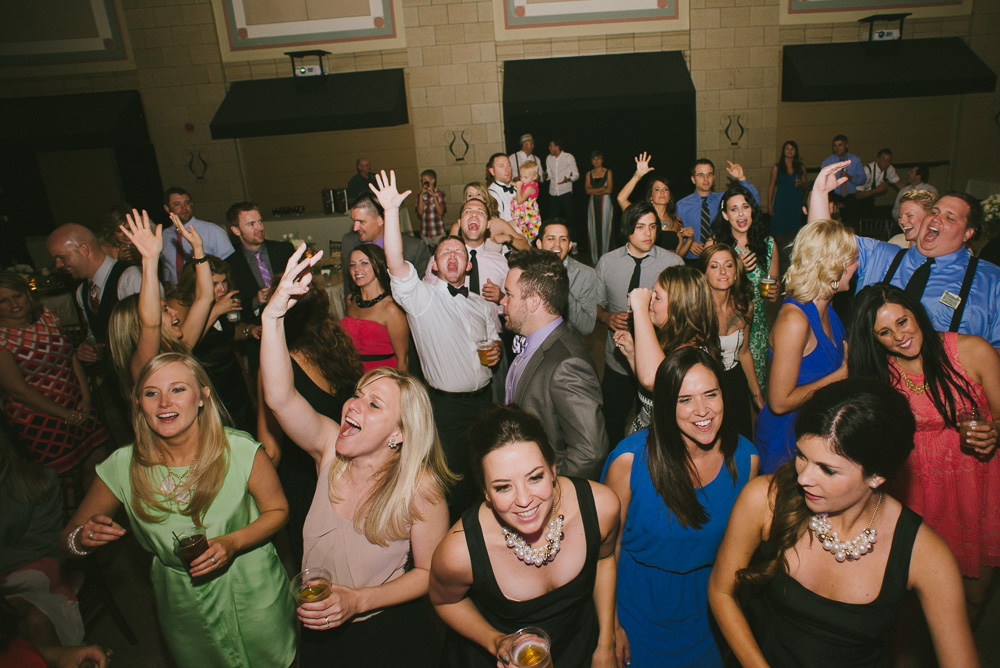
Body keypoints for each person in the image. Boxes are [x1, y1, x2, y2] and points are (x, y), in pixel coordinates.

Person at [260, 248, 455, 666]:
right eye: (358, 395)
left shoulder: (419, 488)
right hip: (319, 630)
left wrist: (358, 601)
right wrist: (272, 317)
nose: (354, 405)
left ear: (400, 434)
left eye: (374, 405)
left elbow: (428, 574)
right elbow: (279, 398)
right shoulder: (329, 452)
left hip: (389, 636)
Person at [708, 379, 979, 667]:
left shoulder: (925, 554)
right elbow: (721, 591)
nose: (803, 478)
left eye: (827, 469)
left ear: (876, 475)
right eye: (802, 456)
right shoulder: (766, 499)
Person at [60, 352, 296, 667]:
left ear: (202, 396)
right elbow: (66, 541)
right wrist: (81, 539)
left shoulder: (240, 449)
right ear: (139, 403)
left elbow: (278, 511)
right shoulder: (121, 466)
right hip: (184, 604)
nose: (164, 403)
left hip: (253, 588)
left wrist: (233, 541)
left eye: (178, 389)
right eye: (151, 393)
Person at [848, 284, 1000, 618]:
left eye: (902, 321)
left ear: (915, 313)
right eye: (885, 332)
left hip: (975, 485)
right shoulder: (879, 374)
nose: (899, 336)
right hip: (915, 489)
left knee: (975, 593)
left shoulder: (972, 351)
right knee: (913, 597)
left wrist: (995, 432)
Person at [430, 404, 620, 667]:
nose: (523, 500)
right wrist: (495, 640)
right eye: (503, 487)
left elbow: (604, 559)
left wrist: (606, 642)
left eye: (535, 477)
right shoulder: (459, 551)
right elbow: (444, 602)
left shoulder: (600, 507)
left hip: (580, 647)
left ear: (552, 468)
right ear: (485, 492)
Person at [603, 348, 758, 667]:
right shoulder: (630, 461)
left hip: (709, 613)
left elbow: (741, 555)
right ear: (665, 405)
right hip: (637, 611)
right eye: (684, 399)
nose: (702, 410)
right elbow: (607, 549)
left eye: (711, 394)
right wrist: (609, 627)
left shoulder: (747, 460)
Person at [378, 169, 501, 519]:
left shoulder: (480, 303)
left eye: (458, 253)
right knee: (454, 487)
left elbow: (492, 341)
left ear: (468, 264)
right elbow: (395, 263)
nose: (452, 257)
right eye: (445, 252)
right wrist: (391, 212)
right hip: (447, 411)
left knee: (487, 477)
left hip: (485, 403)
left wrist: (496, 350)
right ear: (434, 264)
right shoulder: (423, 299)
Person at [810, 162, 1000, 350]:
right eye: (934, 212)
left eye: (950, 217)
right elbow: (827, 243)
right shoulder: (881, 255)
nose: (936, 219)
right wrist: (820, 193)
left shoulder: (991, 281)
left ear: (968, 234)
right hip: (868, 367)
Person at [257, 280, 364, 566]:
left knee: (316, 562)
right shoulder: (337, 348)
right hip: (345, 468)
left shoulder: (275, 369)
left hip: (303, 478)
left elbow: (271, 448)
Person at [754, 219, 854, 474]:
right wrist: (841, 376)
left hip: (813, 433)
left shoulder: (828, 308)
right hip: (785, 441)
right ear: (835, 265)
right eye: (853, 259)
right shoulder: (795, 320)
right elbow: (779, 402)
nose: (857, 265)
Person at [501, 249, 607, 479]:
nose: (502, 301)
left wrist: (552, 488)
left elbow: (590, 453)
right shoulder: (533, 340)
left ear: (534, 302)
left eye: (508, 294)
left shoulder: (568, 364)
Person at [0, 273, 108, 474]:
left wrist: (86, 397)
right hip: (38, 417)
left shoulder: (46, 316)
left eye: (17, 296)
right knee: (64, 477)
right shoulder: (2, 338)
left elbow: (70, 356)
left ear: (27, 294)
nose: (13, 304)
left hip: (77, 403)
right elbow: (18, 391)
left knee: (99, 462)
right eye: (3, 301)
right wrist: (66, 415)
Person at [596, 202, 684, 445]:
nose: (648, 233)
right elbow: (595, 305)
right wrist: (606, 317)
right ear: (627, 229)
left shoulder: (673, 263)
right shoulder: (607, 262)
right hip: (617, 361)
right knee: (612, 423)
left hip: (659, 362)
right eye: (640, 227)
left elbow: (683, 313)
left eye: (653, 227)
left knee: (657, 427)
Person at [108, 210, 214, 396]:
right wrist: (150, 259)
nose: (174, 311)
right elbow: (150, 323)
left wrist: (198, 249)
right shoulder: (145, 365)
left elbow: (205, 298)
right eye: (165, 310)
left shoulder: (180, 348)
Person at [613, 265, 720, 433]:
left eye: (657, 297)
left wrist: (640, 309)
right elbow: (652, 389)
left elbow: (653, 379)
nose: (650, 301)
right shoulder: (669, 338)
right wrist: (633, 355)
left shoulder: (691, 354)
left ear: (679, 307)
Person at [167, 256, 257, 433]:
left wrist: (250, 330)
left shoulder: (221, 301)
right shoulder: (179, 305)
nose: (222, 289)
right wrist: (216, 311)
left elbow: (227, 333)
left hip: (231, 377)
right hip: (205, 382)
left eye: (224, 282)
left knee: (246, 429)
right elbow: (183, 346)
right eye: (214, 284)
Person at [709, 184, 779, 393]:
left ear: (752, 211)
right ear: (725, 215)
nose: (741, 214)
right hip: (724, 322)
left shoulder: (768, 244)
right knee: (722, 385)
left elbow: (771, 289)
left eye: (745, 207)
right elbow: (703, 290)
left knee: (756, 384)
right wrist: (736, 268)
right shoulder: (714, 245)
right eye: (734, 209)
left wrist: (774, 292)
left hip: (757, 323)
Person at [46, 223, 142, 364]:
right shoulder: (82, 291)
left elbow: (151, 330)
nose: (58, 265)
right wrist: (88, 345)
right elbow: (96, 331)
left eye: (61, 257)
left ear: (84, 249)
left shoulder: (130, 277)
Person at [700, 245, 763, 439]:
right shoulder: (695, 310)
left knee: (741, 440)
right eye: (714, 266)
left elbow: (743, 352)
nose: (722, 271)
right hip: (704, 387)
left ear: (736, 274)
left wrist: (757, 396)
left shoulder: (745, 307)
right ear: (704, 274)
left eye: (728, 265)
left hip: (735, 381)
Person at [340, 192, 430, 291]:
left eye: (361, 222)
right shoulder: (349, 242)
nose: (355, 228)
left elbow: (423, 290)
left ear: (380, 220)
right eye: (354, 221)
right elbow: (348, 284)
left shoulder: (413, 248)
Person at [342, 244, 409, 372]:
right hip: (353, 373)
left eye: (364, 263)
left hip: (382, 374)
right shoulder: (351, 300)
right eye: (352, 265)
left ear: (377, 266)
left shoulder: (391, 309)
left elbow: (403, 359)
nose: (357, 269)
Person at [225, 201, 295, 324]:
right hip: (259, 326)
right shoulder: (231, 265)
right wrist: (255, 301)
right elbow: (234, 307)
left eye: (260, 222)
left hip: (293, 319)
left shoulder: (284, 250)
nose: (260, 228)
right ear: (236, 230)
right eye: (251, 224)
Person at [675, 159, 759, 259]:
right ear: (693, 179)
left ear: (714, 178)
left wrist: (742, 178)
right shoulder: (682, 205)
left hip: (720, 257)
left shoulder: (723, 199)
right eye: (701, 175)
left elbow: (753, 203)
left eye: (709, 174)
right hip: (692, 258)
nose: (706, 179)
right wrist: (688, 243)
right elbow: (678, 232)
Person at [616, 152, 693, 256]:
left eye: (665, 189)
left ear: (670, 196)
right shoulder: (641, 215)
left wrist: (690, 240)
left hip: (669, 265)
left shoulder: (677, 221)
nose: (662, 192)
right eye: (657, 189)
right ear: (651, 196)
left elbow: (678, 256)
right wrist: (637, 175)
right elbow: (621, 198)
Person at [535, 219, 597, 337]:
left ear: (569, 246)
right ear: (539, 243)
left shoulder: (585, 274)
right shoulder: (526, 270)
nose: (557, 244)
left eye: (563, 239)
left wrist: (560, 285)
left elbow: (587, 327)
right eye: (550, 238)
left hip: (568, 344)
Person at [161, 187, 235, 286]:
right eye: (177, 204)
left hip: (208, 289)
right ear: (167, 208)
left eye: (187, 203)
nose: (184, 208)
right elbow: (167, 264)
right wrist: (166, 283)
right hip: (177, 292)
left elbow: (230, 264)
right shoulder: (165, 235)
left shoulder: (212, 231)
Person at [453, 182, 530, 252]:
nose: (474, 197)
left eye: (478, 194)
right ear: (466, 201)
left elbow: (526, 246)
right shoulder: (458, 227)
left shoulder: (498, 223)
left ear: (485, 199)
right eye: (470, 195)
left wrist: (508, 238)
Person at [819, 134, 866, 224]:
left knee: (852, 224)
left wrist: (850, 178)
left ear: (846, 145)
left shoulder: (855, 160)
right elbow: (823, 183)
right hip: (835, 197)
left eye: (840, 145)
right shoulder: (827, 162)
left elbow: (863, 179)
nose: (837, 148)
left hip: (851, 197)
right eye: (834, 146)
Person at [766, 140, 805, 238]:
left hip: (795, 201)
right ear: (783, 151)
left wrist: (801, 183)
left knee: (795, 229)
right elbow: (771, 186)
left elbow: (805, 185)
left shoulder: (800, 167)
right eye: (787, 149)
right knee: (779, 229)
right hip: (781, 201)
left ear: (796, 151)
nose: (789, 151)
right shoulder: (777, 167)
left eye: (792, 149)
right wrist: (769, 204)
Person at [545, 139, 579, 238]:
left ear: (557, 147)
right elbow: (549, 176)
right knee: (553, 219)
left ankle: (573, 241)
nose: (549, 148)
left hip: (565, 192)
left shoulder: (568, 157)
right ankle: (552, 239)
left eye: (551, 146)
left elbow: (576, 175)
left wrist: (568, 179)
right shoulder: (549, 158)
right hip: (553, 193)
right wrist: (545, 176)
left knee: (570, 218)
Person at [585, 150, 614, 263]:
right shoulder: (589, 174)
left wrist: (594, 190)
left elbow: (609, 190)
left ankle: (607, 257)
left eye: (598, 158)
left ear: (602, 160)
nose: (596, 161)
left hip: (605, 203)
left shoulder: (608, 172)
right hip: (593, 203)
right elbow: (587, 191)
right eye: (594, 159)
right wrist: (602, 189)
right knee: (593, 228)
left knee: (606, 227)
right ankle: (595, 257)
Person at [856, 148, 901, 221]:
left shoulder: (889, 168)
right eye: (885, 160)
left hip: (868, 198)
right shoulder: (866, 171)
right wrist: (876, 190)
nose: (887, 163)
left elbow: (898, 183)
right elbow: (857, 195)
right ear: (877, 159)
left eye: (889, 161)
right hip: (854, 199)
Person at [511, 159, 542, 242]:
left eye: (526, 177)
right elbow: (517, 185)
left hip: (527, 216)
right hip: (523, 214)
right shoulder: (527, 184)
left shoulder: (530, 188)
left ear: (534, 176)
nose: (522, 180)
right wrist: (510, 183)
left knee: (525, 236)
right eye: (521, 177)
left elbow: (520, 201)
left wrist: (518, 187)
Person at [416, 168, 447, 242]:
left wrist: (433, 196)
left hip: (437, 231)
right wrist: (421, 196)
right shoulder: (420, 194)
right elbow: (420, 212)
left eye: (425, 180)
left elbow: (441, 212)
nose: (423, 182)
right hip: (425, 231)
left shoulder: (440, 193)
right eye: (422, 180)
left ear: (432, 181)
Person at [487, 153, 516, 221]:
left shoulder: (517, 187)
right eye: (501, 166)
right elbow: (497, 224)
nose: (507, 169)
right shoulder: (491, 194)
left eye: (508, 165)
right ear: (492, 171)